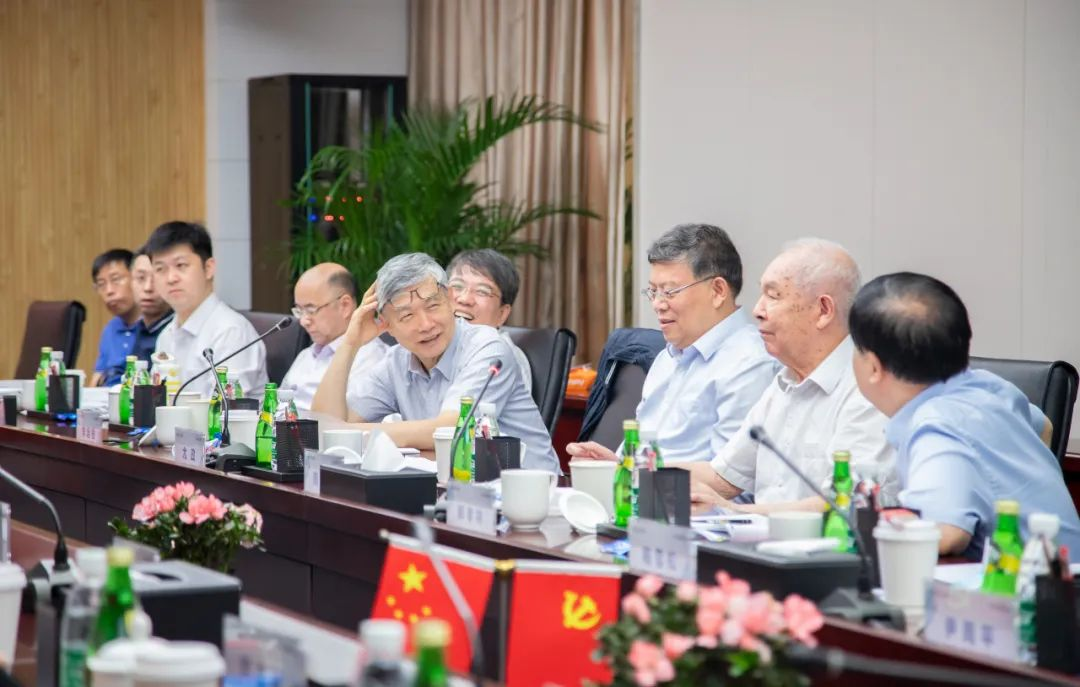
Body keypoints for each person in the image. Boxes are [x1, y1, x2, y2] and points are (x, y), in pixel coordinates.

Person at [849, 271, 1080, 558]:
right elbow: (1044, 426)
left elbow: (946, 535)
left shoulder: (936, 425)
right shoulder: (987, 385)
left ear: (873, 367)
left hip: (1032, 583)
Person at [687, 239, 894, 512]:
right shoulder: (785, 381)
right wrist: (641, 468)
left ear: (823, 310)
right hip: (758, 538)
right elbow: (722, 477)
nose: (757, 310)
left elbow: (845, 504)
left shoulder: (868, 389)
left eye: (773, 296)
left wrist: (736, 512)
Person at [311, 253, 559, 473]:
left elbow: (451, 430)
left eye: (432, 306)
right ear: (387, 325)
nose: (426, 324)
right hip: (454, 489)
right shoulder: (396, 361)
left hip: (533, 492)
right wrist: (350, 343)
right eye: (407, 315)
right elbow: (322, 424)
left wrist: (348, 434)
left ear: (450, 299)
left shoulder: (488, 347)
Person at [566, 223, 776, 463]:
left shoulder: (750, 364)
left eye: (669, 291)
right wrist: (615, 466)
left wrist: (639, 473)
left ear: (718, 291)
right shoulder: (667, 357)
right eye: (653, 291)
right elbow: (644, 455)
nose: (658, 304)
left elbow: (729, 476)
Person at [148, 221, 268, 397]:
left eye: (181, 266)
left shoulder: (231, 332)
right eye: (160, 269)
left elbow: (224, 407)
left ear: (209, 268)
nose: (171, 278)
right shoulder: (166, 335)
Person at [280, 263, 388, 410]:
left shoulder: (370, 358)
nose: (303, 321)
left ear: (345, 305)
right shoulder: (307, 353)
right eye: (299, 311)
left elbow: (346, 419)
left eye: (311, 310)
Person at [447, 249, 532, 390]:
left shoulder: (498, 358)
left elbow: (466, 405)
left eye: (482, 291)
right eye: (457, 286)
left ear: (502, 314)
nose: (465, 299)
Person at [90, 249, 139, 386]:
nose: (109, 291)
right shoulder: (111, 329)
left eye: (116, 280)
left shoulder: (155, 328)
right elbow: (97, 378)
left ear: (137, 278)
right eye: (101, 284)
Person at [129, 247, 174, 360]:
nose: (147, 288)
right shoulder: (139, 328)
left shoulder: (175, 331)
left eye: (156, 279)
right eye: (141, 278)